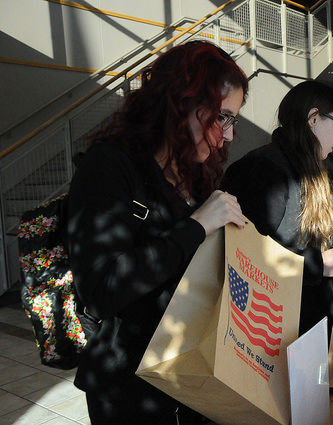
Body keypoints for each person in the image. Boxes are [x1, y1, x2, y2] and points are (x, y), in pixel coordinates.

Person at [66, 41, 248, 424]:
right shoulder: (110, 166)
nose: (228, 135)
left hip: (189, 370)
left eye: (233, 119)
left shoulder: (194, 173)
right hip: (129, 384)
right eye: (223, 116)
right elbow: (102, 288)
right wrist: (197, 226)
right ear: (181, 103)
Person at [221, 80, 333, 337]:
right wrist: (322, 264)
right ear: (314, 118)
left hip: (309, 322)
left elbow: (308, 241)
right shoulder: (265, 170)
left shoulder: (311, 169)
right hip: (275, 331)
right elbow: (248, 258)